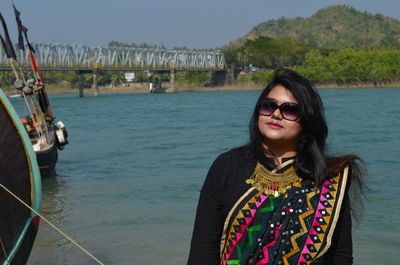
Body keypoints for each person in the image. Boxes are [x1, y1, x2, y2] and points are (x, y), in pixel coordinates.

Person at [187, 69, 364, 265]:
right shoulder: (227, 166)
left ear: (307, 120)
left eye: (290, 109)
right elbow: (203, 248)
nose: (276, 114)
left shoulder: (329, 177)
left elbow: (341, 256)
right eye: (268, 106)